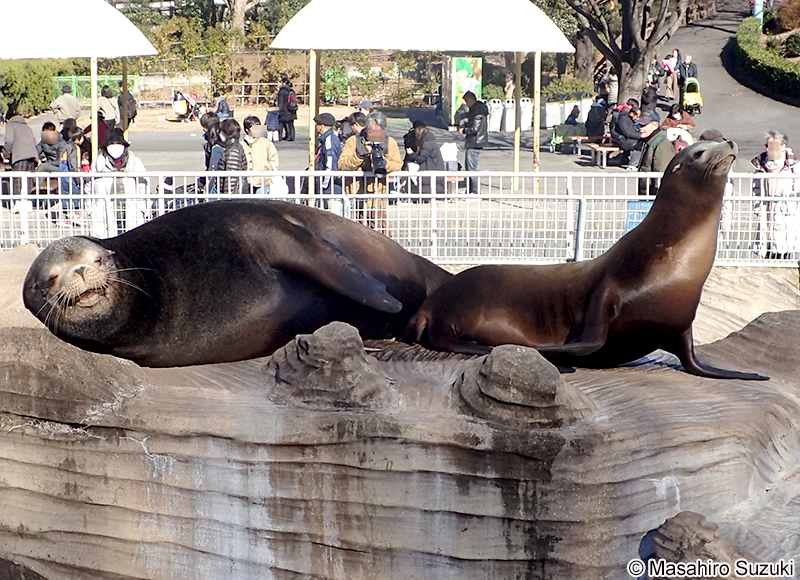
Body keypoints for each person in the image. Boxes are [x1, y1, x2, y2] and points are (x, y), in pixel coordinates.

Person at [339, 111, 402, 234]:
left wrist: (384, 163)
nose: (375, 136)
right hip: (356, 196)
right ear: (366, 129)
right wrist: (360, 154)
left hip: (378, 198)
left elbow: (397, 164)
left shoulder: (390, 142)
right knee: (356, 236)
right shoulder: (353, 141)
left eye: (379, 133)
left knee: (381, 236)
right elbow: (342, 165)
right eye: (372, 132)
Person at [91, 128, 150, 237]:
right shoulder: (98, 164)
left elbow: (143, 185)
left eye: (118, 143)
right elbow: (89, 187)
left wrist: (143, 207)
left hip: (131, 209)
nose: (115, 146)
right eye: (111, 144)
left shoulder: (134, 162)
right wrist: (90, 209)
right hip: (105, 210)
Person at [751, 130, 800, 259]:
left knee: (783, 248)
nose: (770, 149)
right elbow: (755, 189)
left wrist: (790, 208)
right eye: (767, 146)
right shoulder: (760, 165)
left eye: (773, 146)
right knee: (766, 248)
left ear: (783, 146)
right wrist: (758, 207)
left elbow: (797, 189)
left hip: (785, 214)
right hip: (766, 212)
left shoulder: (794, 165)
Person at [636, 110, 674, 195]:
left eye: (644, 125)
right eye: (640, 125)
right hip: (646, 194)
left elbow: (661, 174)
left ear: (655, 125)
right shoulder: (648, 142)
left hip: (655, 197)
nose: (641, 128)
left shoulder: (662, 144)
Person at [311, 112, 344, 211]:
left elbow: (330, 163)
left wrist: (324, 184)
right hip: (329, 187)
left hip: (331, 188)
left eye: (317, 124)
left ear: (321, 126)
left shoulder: (330, 140)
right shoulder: (327, 139)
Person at [403, 122, 445, 194]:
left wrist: (411, 154)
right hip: (433, 169)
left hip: (430, 170)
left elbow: (421, 158)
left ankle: (404, 189)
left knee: (409, 167)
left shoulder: (427, 143)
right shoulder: (429, 141)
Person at [459, 91, 488, 194]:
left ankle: (474, 192)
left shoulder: (478, 111)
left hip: (475, 141)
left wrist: (465, 130)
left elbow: (475, 128)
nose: (466, 104)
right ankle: (470, 190)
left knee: (471, 168)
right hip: (475, 141)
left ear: (470, 100)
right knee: (469, 167)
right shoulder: (476, 109)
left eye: (467, 102)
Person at [242, 115, 280, 194]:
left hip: (263, 181)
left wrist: (266, 169)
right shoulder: (241, 144)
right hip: (246, 182)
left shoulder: (266, 142)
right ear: (247, 129)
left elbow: (274, 158)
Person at [58, 125, 85, 226]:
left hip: (63, 174)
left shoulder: (65, 146)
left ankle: (63, 218)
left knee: (65, 196)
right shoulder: (75, 148)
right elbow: (74, 164)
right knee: (76, 195)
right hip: (71, 175)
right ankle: (76, 216)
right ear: (78, 138)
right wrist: (78, 178)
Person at [216, 118, 248, 195]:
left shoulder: (233, 150)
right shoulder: (232, 146)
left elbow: (231, 177)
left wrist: (227, 197)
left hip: (229, 194)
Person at [610, 99, 641, 167]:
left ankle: (624, 159)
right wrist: (640, 136)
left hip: (621, 138)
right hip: (621, 139)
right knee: (639, 144)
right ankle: (633, 164)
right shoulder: (624, 117)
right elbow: (627, 132)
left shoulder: (624, 114)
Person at [276, 74, 297, 141]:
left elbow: (281, 101)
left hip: (285, 109)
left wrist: (280, 109)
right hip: (291, 109)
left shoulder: (282, 90)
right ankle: (291, 136)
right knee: (290, 124)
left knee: (281, 123)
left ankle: (280, 137)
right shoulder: (289, 89)